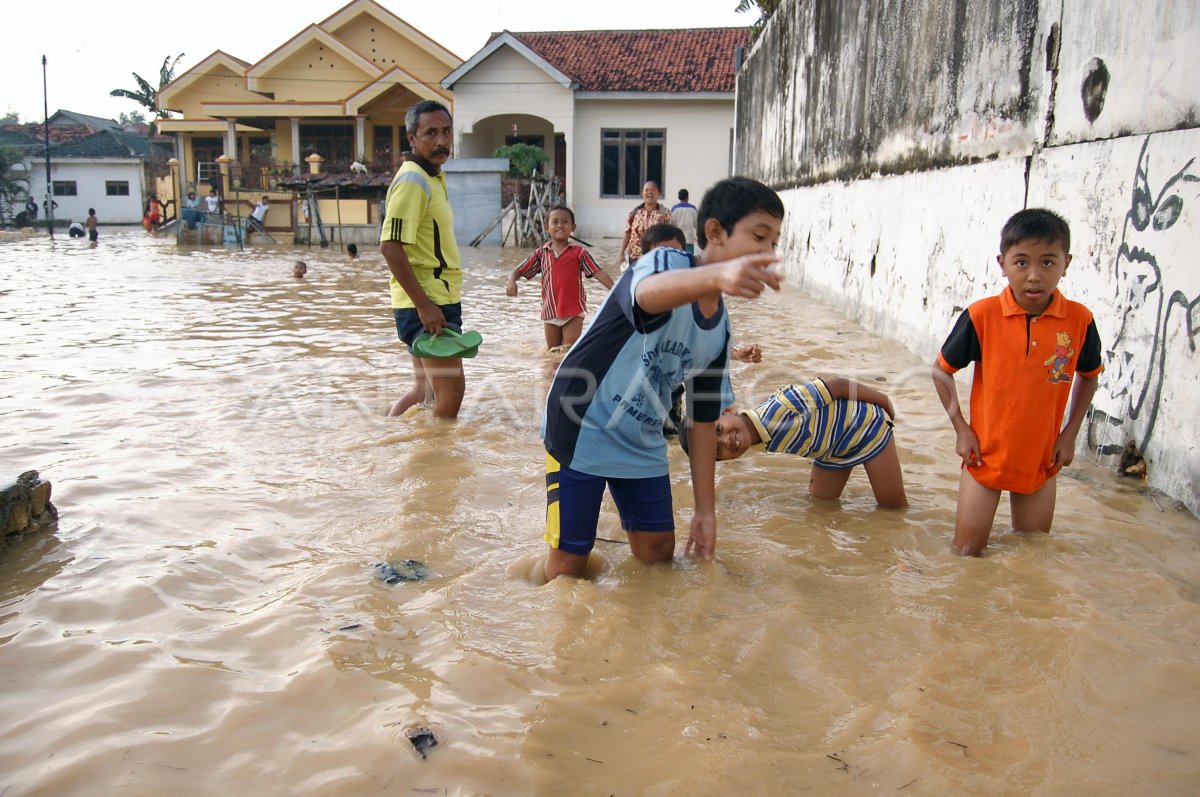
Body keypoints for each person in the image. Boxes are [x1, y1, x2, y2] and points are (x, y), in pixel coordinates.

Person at [540, 176, 786, 581]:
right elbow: (647, 296)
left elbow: (702, 423)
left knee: (657, 554)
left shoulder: (719, 330)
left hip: (641, 437)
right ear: (714, 232)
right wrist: (717, 277)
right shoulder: (665, 262)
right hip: (581, 421)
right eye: (759, 237)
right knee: (570, 567)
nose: (767, 254)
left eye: (774, 244)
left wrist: (706, 513)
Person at [932, 208, 1103, 556]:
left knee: (1030, 558)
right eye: (1022, 262)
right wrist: (961, 428)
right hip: (985, 457)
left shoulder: (1080, 321)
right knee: (966, 554)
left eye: (1048, 263)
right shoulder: (982, 316)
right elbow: (941, 371)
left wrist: (1069, 435)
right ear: (1003, 263)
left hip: (1041, 462)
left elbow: (1089, 377)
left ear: (1066, 263)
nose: (1034, 276)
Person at [681, 379, 907, 508]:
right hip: (832, 450)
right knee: (820, 508)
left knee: (893, 510)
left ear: (727, 410)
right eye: (718, 450)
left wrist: (884, 400)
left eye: (718, 430)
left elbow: (838, 386)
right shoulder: (756, 435)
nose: (727, 441)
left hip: (867, 428)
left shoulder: (781, 408)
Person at [380, 99, 466, 419]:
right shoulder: (413, 180)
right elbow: (390, 247)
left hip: (431, 300)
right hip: (428, 303)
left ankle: (389, 435)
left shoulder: (431, 177)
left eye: (446, 131)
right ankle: (439, 460)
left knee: (424, 391)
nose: (441, 140)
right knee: (452, 392)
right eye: (430, 133)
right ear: (411, 138)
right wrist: (425, 306)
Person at [506, 205, 616, 349]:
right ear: (547, 227)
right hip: (550, 311)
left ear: (573, 227)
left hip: (574, 312)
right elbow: (519, 270)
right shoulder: (541, 254)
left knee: (568, 349)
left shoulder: (579, 252)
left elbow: (598, 272)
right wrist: (511, 281)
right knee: (552, 353)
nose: (560, 225)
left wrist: (616, 290)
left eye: (565, 222)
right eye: (555, 222)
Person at [617, 180, 673, 270]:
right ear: (642, 193)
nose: (649, 192)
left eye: (653, 190)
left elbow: (671, 237)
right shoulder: (634, 212)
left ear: (659, 193)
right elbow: (628, 233)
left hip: (655, 260)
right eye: (646, 190)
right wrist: (621, 253)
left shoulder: (665, 213)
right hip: (634, 259)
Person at [671, 189, 699, 254]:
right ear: (688, 197)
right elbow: (697, 225)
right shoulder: (693, 209)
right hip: (689, 239)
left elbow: (671, 225)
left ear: (679, 197)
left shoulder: (674, 209)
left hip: (677, 239)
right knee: (689, 259)